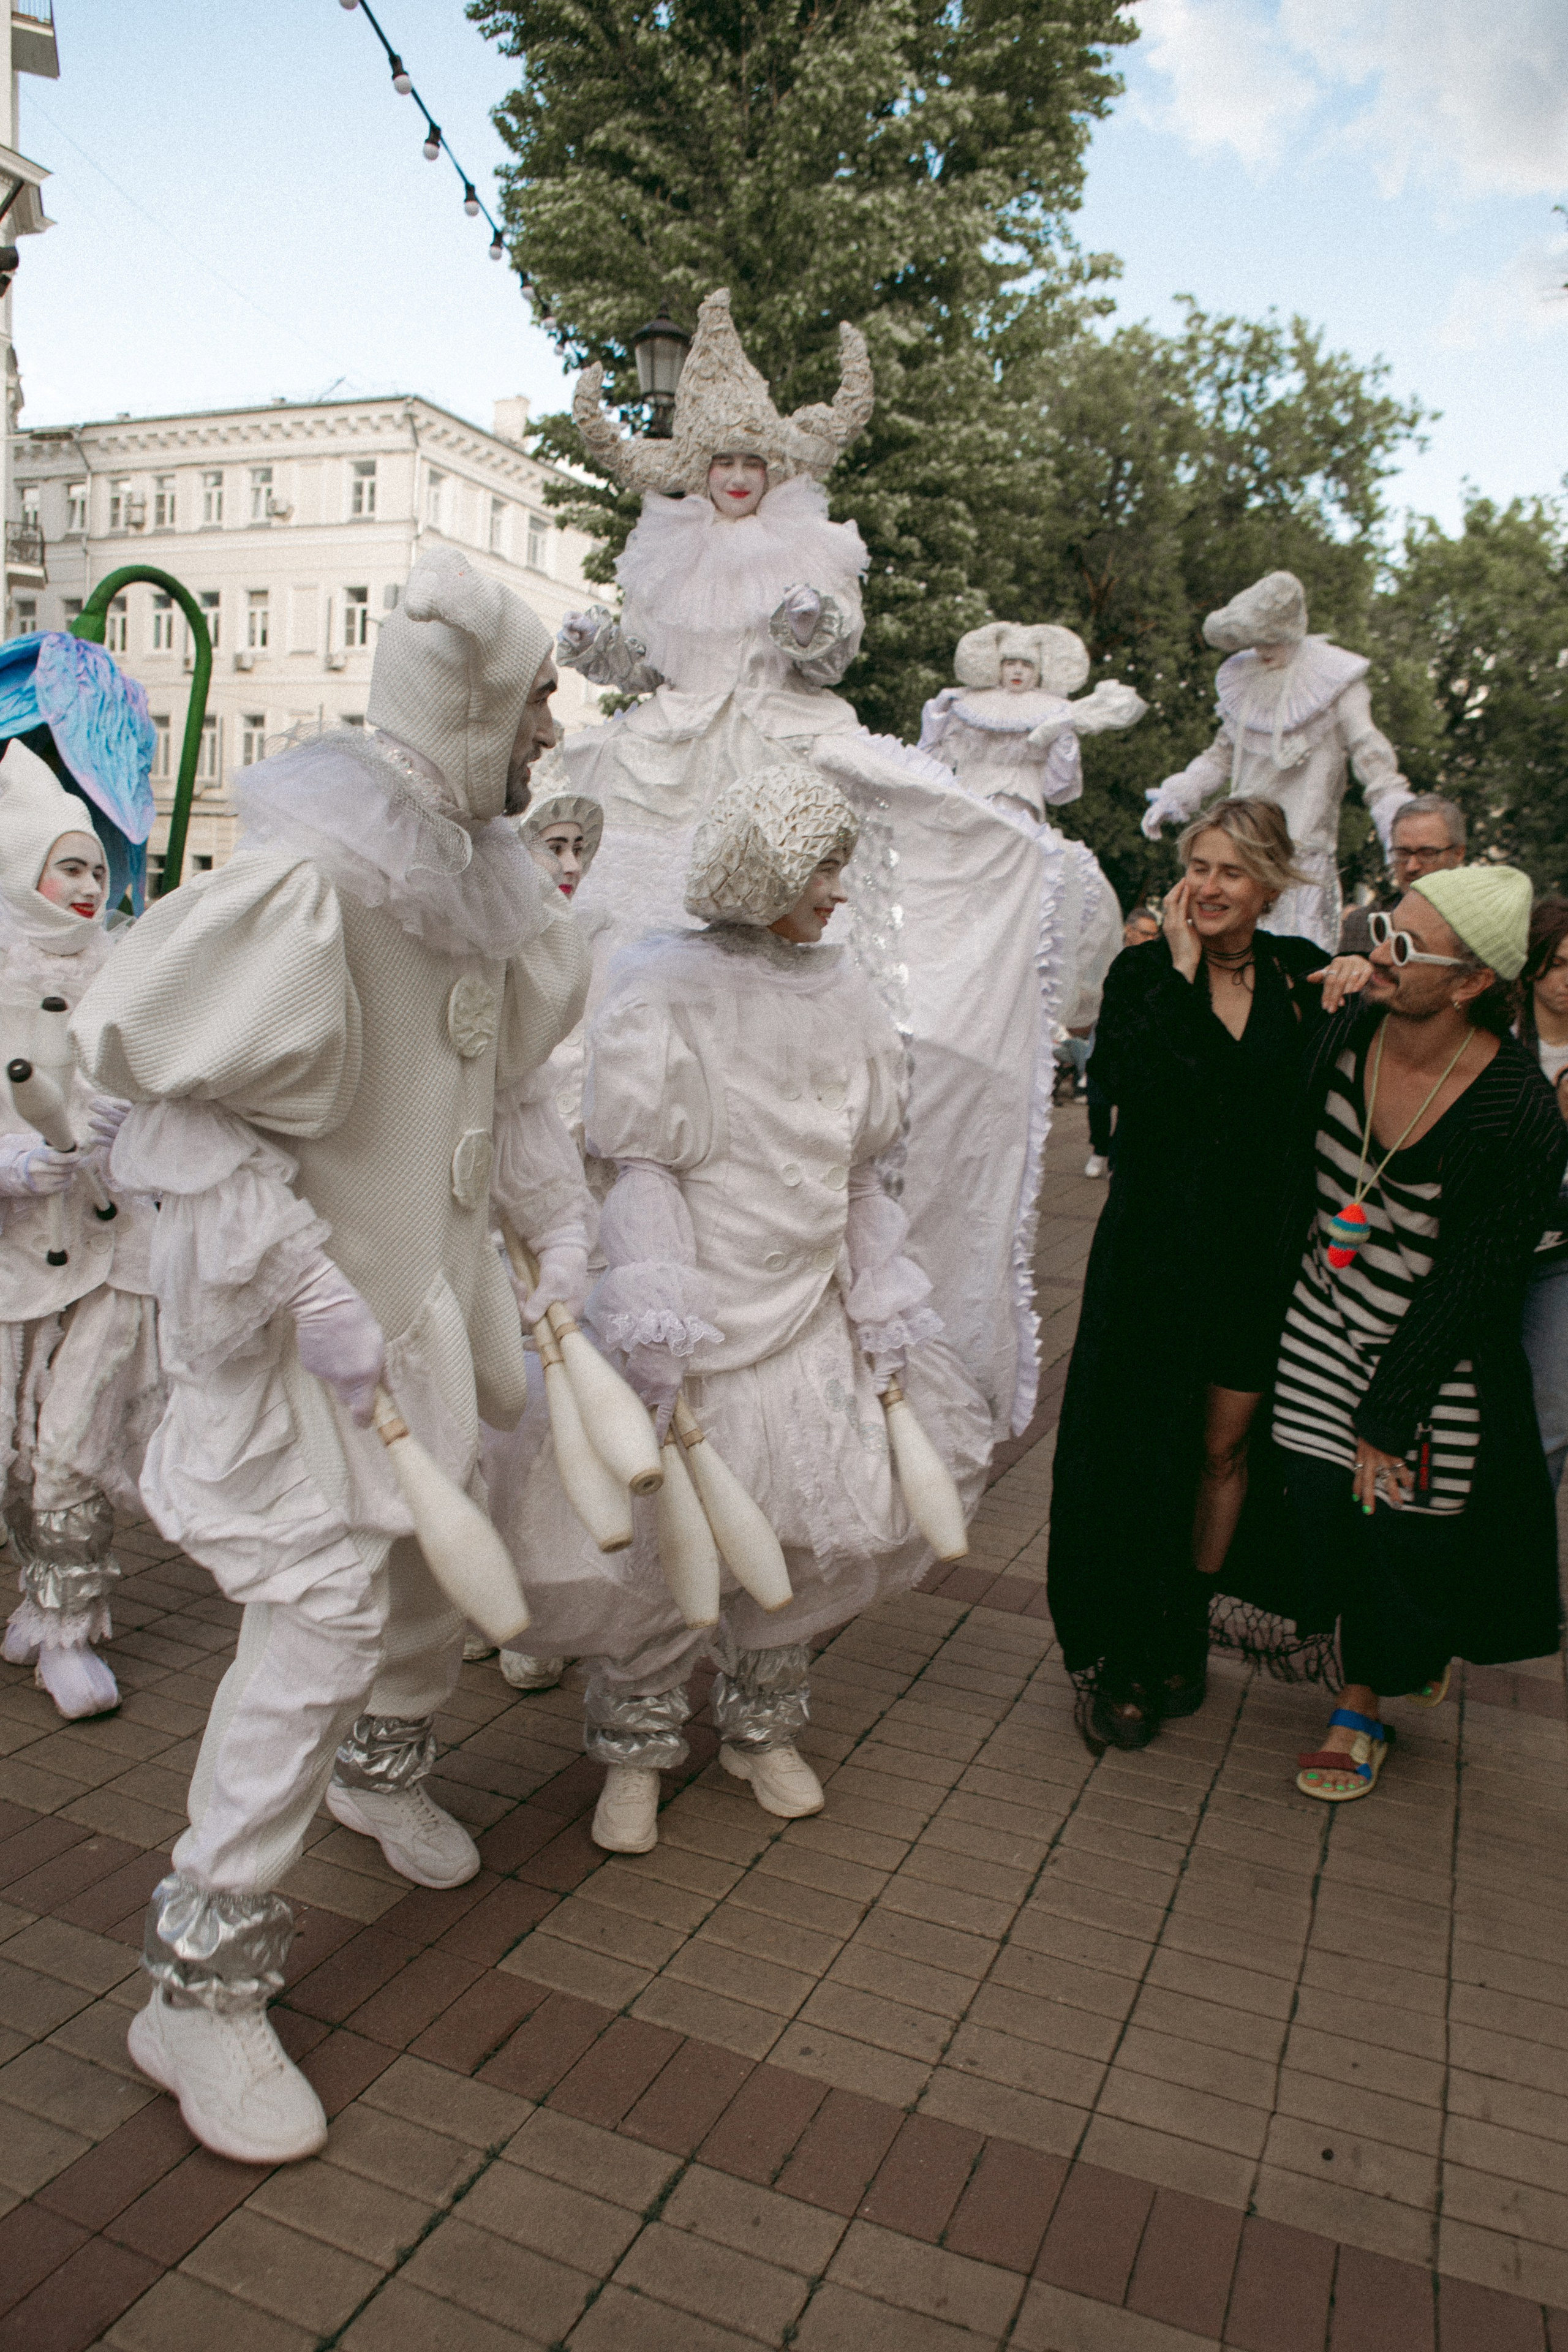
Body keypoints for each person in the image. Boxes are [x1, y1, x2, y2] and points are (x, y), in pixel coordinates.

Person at [71, 548, 590, 2165]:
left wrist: (546, 1231)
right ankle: (201, 1982)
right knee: (317, 1618)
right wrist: (310, 1288)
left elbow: (495, 1095)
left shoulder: (480, 881)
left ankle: (384, 1766)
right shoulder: (317, 884)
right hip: (315, 1344)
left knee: (431, 1581)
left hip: (429, 1323)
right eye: (541, 697)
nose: (558, 722)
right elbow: (175, 1116)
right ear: (479, 704)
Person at [556, 288, 1060, 1446]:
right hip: (669, 749)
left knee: (868, 894)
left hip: (775, 742)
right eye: (718, 461)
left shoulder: (811, 545)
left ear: (775, 468)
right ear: (696, 468)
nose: (735, 478)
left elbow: (831, 644)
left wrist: (801, 628)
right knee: (608, 943)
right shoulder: (667, 547)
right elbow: (652, 660)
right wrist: (605, 647)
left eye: (752, 462)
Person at [485, 763, 991, 1855]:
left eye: (843, 867)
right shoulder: (665, 984)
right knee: (670, 1556)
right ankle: (636, 1748)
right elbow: (643, 1167)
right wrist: (657, 1322)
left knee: (801, 1544)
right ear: (762, 867)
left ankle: (763, 1728)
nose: (838, 891)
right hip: (700, 1325)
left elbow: (861, 1177)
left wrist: (880, 1298)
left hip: (808, 1322)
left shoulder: (849, 992)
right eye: (822, 866)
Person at [1254, 865, 1565, 1800]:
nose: (1379, 950)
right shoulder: (1347, 1030)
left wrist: (1390, 1409)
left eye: (1405, 944)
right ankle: (1385, 1653)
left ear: (1471, 984)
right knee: (1318, 1502)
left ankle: (1362, 1707)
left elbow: (1475, 1284)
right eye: (1382, 927)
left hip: (1430, 1359)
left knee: (1406, 1533)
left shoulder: (1518, 1109)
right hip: (1317, 1324)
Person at [1047, 800, 1330, 1752]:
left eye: (1233, 872)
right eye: (1198, 866)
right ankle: (1129, 1653)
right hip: (1155, 1263)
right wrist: (1173, 973)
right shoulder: (1141, 976)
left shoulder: (1298, 978)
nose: (1208, 888)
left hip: (1257, 1263)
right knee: (1143, 1452)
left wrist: (1367, 976)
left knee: (1224, 1453)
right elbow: (1131, 1088)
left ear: (1271, 885)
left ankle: (1186, 1629)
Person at [0, 744, 160, 1720]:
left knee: (72, 1441)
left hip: (108, 1249)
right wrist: (11, 1164)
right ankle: (34, 1588)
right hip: (11, 1255)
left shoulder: (127, 974)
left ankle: (67, 1625)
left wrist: (126, 1121)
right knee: (16, 1456)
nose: (89, 885)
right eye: (70, 866)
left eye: (98, 868)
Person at [1140, 571, 1412, 951]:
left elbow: (1368, 748)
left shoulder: (1337, 678)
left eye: (1270, 639)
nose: (1262, 650)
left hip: (1301, 850)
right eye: (1255, 642)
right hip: (1239, 847)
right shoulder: (1246, 679)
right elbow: (1220, 755)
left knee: (1295, 962)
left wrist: (1393, 810)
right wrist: (1180, 792)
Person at [916, 620, 1145, 826]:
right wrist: (937, 712)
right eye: (1010, 663)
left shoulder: (1052, 710)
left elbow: (1058, 782)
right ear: (999, 667)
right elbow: (934, 755)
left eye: (1026, 665)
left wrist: (1061, 734)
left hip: (1020, 797)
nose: (1017, 670)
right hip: (970, 792)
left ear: (1037, 671)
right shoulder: (966, 704)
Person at [1517, 896, 1568, 1491]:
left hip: (1558, 1257)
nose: (1564, 979)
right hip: (1492, 1250)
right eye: (1554, 963)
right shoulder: (1495, 1043)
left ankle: (1523, 1558)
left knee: (1552, 1415)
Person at [1085, 906, 1159, 1178]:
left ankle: (1117, 1158)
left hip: (1137, 1038)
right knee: (1098, 1099)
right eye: (1145, 933)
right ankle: (1100, 1149)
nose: (1150, 940)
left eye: (1155, 935)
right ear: (1129, 930)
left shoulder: (1155, 962)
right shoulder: (1107, 953)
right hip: (1102, 1033)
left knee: (1130, 1103)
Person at [1339, 794, 1466, 954]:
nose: (1411, 867)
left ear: (1458, 854)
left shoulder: (1480, 926)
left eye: (1427, 853)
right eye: (1402, 853)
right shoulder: (1363, 923)